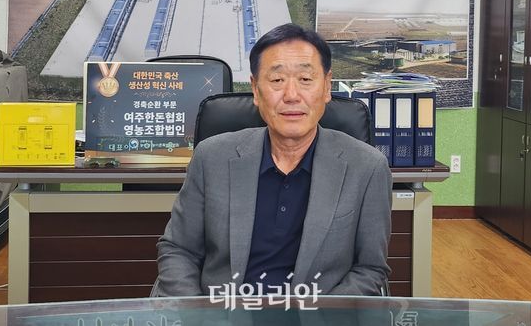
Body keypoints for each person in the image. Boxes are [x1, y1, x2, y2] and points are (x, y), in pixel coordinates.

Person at [156, 23, 392, 296]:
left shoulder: (367, 167)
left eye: (305, 79)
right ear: (256, 90)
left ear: (327, 87)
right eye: (277, 80)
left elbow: (369, 269)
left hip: (317, 313)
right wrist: (199, 314)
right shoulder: (211, 157)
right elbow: (179, 250)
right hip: (224, 311)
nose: (291, 95)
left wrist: (320, 315)